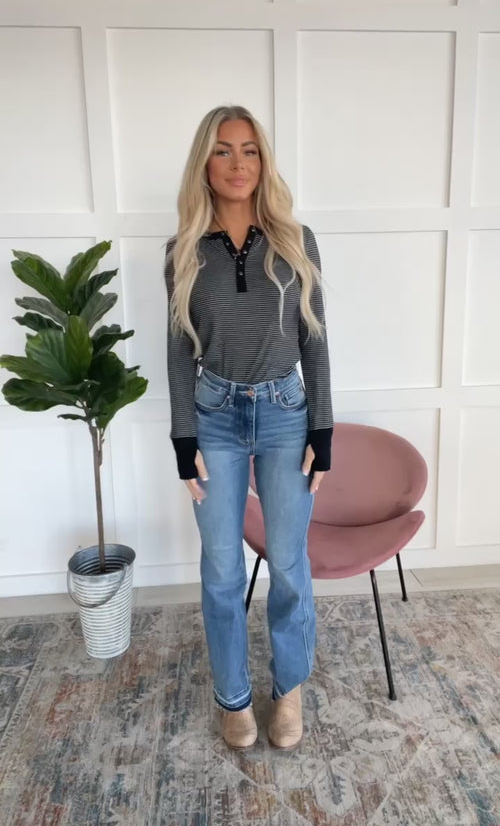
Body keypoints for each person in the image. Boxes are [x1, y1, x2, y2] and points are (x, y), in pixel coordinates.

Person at [163, 104, 333, 752]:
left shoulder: (296, 239)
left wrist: (322, 429)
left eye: (250, 150)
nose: (239, 164)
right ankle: (232, 697)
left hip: (287, 413)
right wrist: (184, 439)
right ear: (204, 163)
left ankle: (288, 688)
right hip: (214, 416)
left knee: (288, 562)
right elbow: (178, 350)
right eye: (224, 150)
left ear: (263, 161)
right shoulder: (182, 250)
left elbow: (315, 338)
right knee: (221, 569)